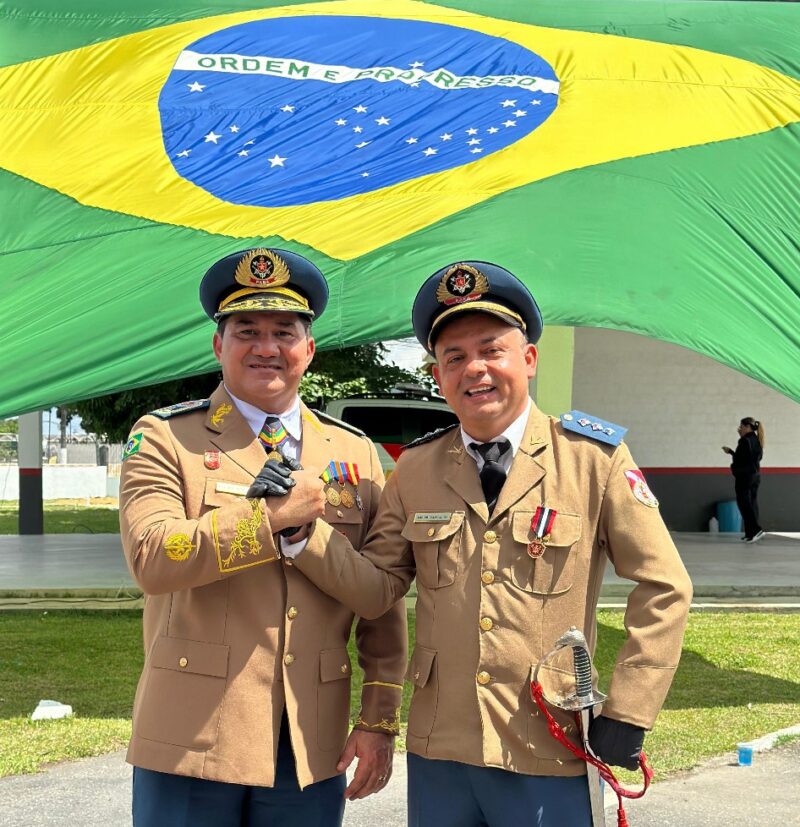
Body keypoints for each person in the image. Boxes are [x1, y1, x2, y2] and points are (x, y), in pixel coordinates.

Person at [288, 261, 694, 827]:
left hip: (547, 743)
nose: (474, 369)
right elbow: (376, 589)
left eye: (491, 350)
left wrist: (629, 709)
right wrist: (303, 536)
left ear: (528, 359)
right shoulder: (416, 469)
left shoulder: (591, 458)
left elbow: (665, 586)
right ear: (437, 377)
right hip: (441, 747)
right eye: (454, 358)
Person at [119, 247, 407, 827]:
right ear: (217, 346)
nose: (266, 346)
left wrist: (377, 719)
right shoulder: (166, 438)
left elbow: (382, 601)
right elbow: (152, 558)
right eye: (246, 329)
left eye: (284, 330)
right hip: (191, 732)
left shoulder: (354, 453)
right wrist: (267, 520)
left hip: (308, 736)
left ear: (309, 349)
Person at [723, 417, 765, 543]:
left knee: (744, 504)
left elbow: (740, 460)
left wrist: (734, 466)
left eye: (741, 427)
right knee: (751, 503)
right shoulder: (756, 440)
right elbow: (751, 458)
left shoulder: (745, 441)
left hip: (745, 477)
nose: (739, 429)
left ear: (747, 427)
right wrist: (731, 452)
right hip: (755, 476)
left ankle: (756, 530)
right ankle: (750, 533)